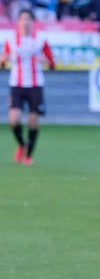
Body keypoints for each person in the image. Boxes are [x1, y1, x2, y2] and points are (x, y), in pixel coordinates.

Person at [0, 9, 55, 165]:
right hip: (16, 84)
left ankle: (29, 155)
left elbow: (52, 63)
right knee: (14, 119)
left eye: (28, 19)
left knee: (33, 121)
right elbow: (3, 61)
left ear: (33, 22)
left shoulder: (40, 39)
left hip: (35, 85)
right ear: (18, 22)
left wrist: (46, 61)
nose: (25, 22)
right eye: (22, 19)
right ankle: (22, 145)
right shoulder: (11, 40)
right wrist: (3, 60)